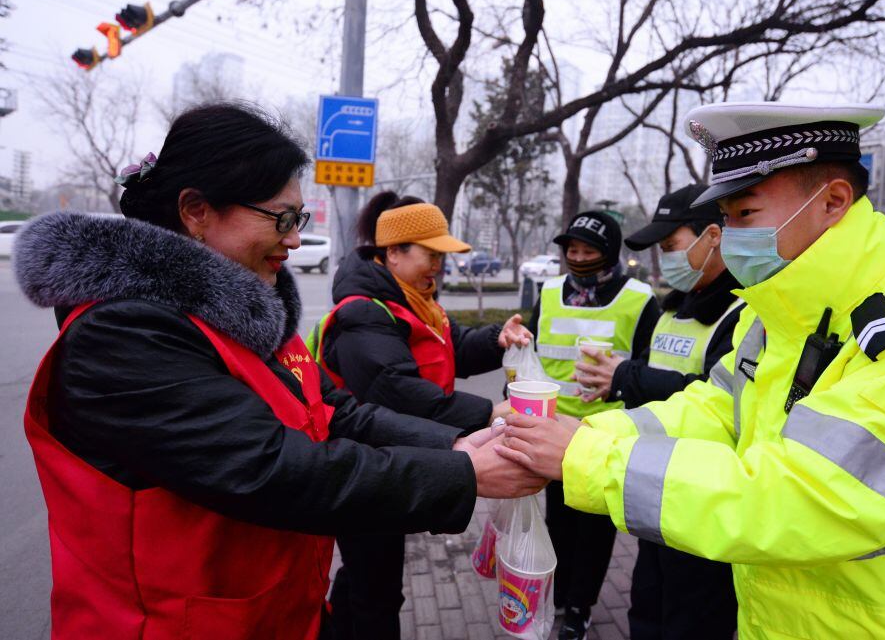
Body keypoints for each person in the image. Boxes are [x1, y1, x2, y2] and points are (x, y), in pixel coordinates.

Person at [13, 103, 543, 640]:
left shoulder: (249, 312)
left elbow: (336, 413)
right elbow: (267, 468)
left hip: (279, 614)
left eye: (300, 219)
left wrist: (456, 444)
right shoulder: (122, 334)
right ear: (196, 210)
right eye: (282, 218)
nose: (293, 239)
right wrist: (463, 476)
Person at [497, 101, 885, 638]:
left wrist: (587, 459)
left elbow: (812, 497)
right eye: (725, 219)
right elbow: (718, 408)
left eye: (745, 215)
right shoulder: (783, 308)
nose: (729, 237)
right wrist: (574, 433)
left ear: (833, 202)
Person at [308, 191, 532, 640]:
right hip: (365, 467)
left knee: (363, 576)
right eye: (429, 255)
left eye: (441, 256)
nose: (437, 267)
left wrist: (496, 339)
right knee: (379, 589)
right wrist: (487, 413)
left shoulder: (414, 298)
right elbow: (397, 390)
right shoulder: (363, 315)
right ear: (393, 253)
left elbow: (447, 351)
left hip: (397, 455)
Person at [574, 184, 741, 638]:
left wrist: (627, 377)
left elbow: (719, 397)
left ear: (713, 237)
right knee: (647, 610)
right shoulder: (674, 310)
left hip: (707, 502)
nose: (663, 259)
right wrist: (613, 385)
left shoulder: (744, 316)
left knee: (692, 622)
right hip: (658, 493)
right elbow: (653, 379)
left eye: (670, 246)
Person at [525, 210, 660, 640]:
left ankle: (581, 607)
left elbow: (647, 364)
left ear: (609, 254)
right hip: (551, 428)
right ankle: (560, 594)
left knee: (595, 531)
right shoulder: (547, 292)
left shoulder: (640, 299)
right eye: (572, 250)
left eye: (589, 251)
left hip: (606, 435)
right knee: (558, 521)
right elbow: (532, 348)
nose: (578, 258)